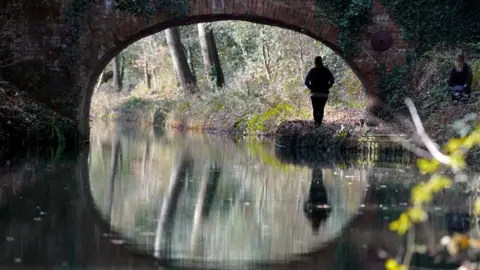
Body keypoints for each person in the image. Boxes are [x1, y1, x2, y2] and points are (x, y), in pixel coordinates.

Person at [304, 56, 335, 127]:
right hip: (324, 94)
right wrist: (327, 87)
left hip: (314, 94)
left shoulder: (312, 70)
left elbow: (306, 82)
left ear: (315, 62)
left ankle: (316, 124)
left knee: (315, 109)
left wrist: (311, 87)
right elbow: (332, 80)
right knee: (321, 109)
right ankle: (319, 124)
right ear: (322, 61)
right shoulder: (326, 70)